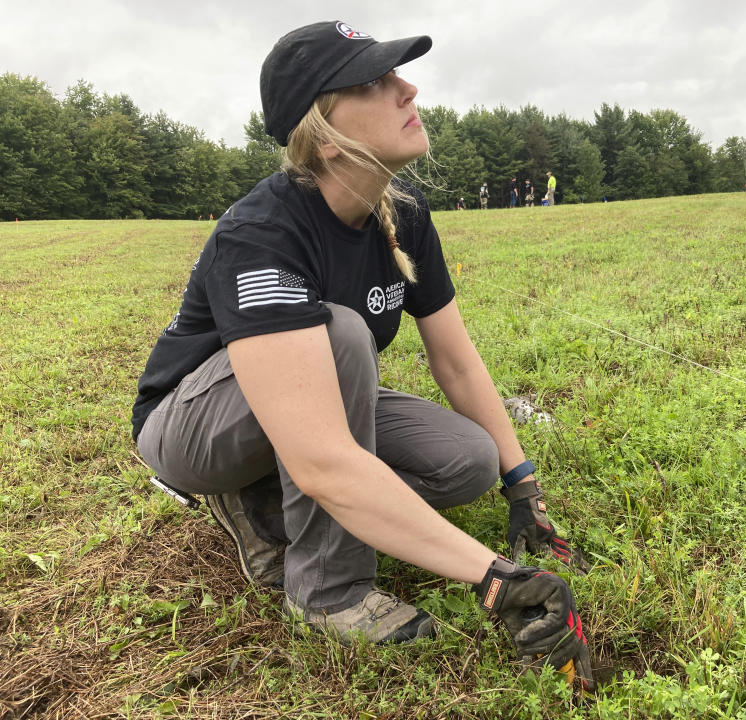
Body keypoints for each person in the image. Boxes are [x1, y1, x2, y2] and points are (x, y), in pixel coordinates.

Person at [130, 20, 592, 686]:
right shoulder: (262, 232)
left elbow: (457, 364)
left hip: (306, 393)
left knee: (468, 462)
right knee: (341, 331)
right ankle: (326, 591)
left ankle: (276, 506)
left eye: (397, 74)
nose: (407, 89)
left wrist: (521, 483)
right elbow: (322, 459)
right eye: (376, 82)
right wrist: (496, 578)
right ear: (324, 132)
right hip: (193, 427)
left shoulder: (403, 211)